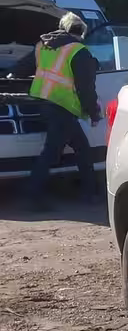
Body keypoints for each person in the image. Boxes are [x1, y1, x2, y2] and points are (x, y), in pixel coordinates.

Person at [10, 11, 102, 206]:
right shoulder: (78, 51)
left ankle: (91, 191)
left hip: (44, 104)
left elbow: (19, 69)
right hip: (63, 107)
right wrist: (94, 113)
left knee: (81, 148)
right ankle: (33, 196)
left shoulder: (43, 46)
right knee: (52, 152)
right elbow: (86, 88)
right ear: (80, 32)